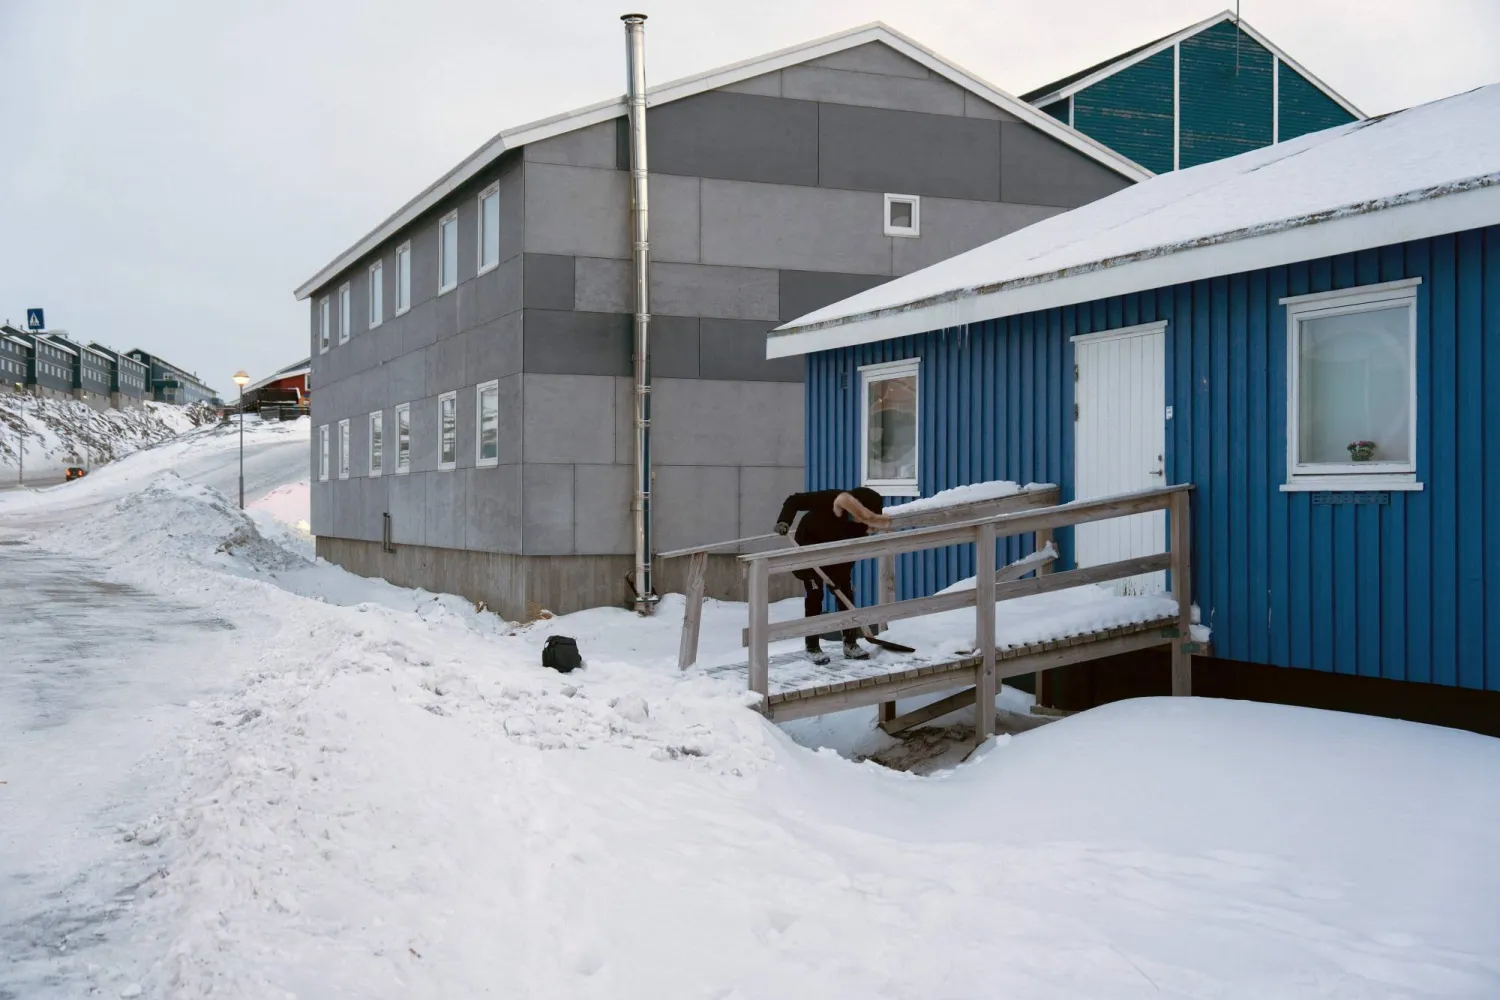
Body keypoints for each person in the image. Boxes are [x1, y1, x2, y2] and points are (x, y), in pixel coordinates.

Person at [774, 487, 892, 664]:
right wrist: (784, 521)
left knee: (845, 592)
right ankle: (812, 646)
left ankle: (850, 644)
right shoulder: (830, 499)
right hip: (808, 548)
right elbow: (795, 500)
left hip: (836, 554)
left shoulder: (862, 526)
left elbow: (851, 551)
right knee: (815, 595)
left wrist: (839, 578)